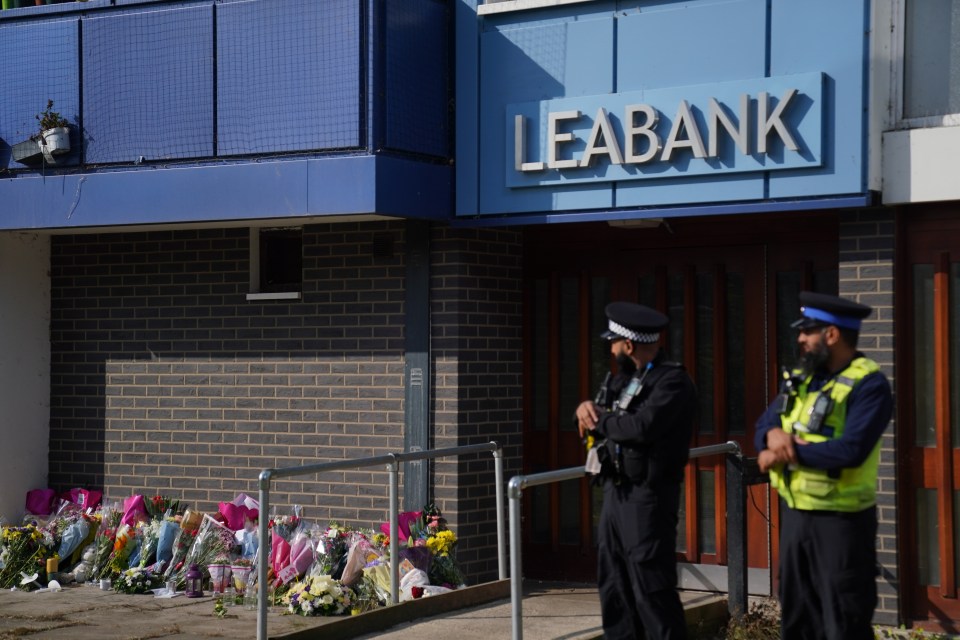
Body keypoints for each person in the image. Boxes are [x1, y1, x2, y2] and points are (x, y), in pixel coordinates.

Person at [754, 291, 893, 640]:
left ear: (831, 335)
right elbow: (763, 425)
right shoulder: (802, 378)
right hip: (797, 518)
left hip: (842, 526)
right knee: (797, 620)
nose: (800, 339)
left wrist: (788, 453)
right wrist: (772, 435)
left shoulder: (870, 384)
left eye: (808, 331)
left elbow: (851, 450)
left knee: (842, 623)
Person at [575, 301, 697, 640]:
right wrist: (584, 409)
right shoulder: (626, 379)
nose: (610, 349)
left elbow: (641, 427)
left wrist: (603, 421)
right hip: (616, 493)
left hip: (648, 497)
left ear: (628, 345)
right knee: (614, 584)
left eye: (613, 342)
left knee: (651, 589)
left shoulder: (672, 381)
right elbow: (597, 415)